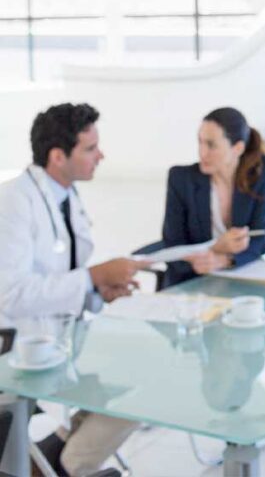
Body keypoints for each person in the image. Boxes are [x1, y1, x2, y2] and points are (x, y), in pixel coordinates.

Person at [0, 103, 148, 476]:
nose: (101, 155)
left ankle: (56, 459)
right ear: (57, 156)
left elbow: (60, 275)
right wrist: (91, 278)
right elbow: (10, 294)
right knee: (141, 387)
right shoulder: (15, 202)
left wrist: (98, 292)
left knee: (142, 374)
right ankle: (66, 467)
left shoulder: (64, 195)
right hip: (19, 350)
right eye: (90, 148)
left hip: (61, 338)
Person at [161, 107, 265, 287]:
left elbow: (259, 239)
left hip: (242, 276)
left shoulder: (261, 171)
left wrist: (225, 260)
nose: (202, 152)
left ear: (237, 148)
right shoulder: (181, 179)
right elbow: (173, 248)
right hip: (192, 283)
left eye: (211, 145)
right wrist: (214, 249)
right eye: (200, 142)